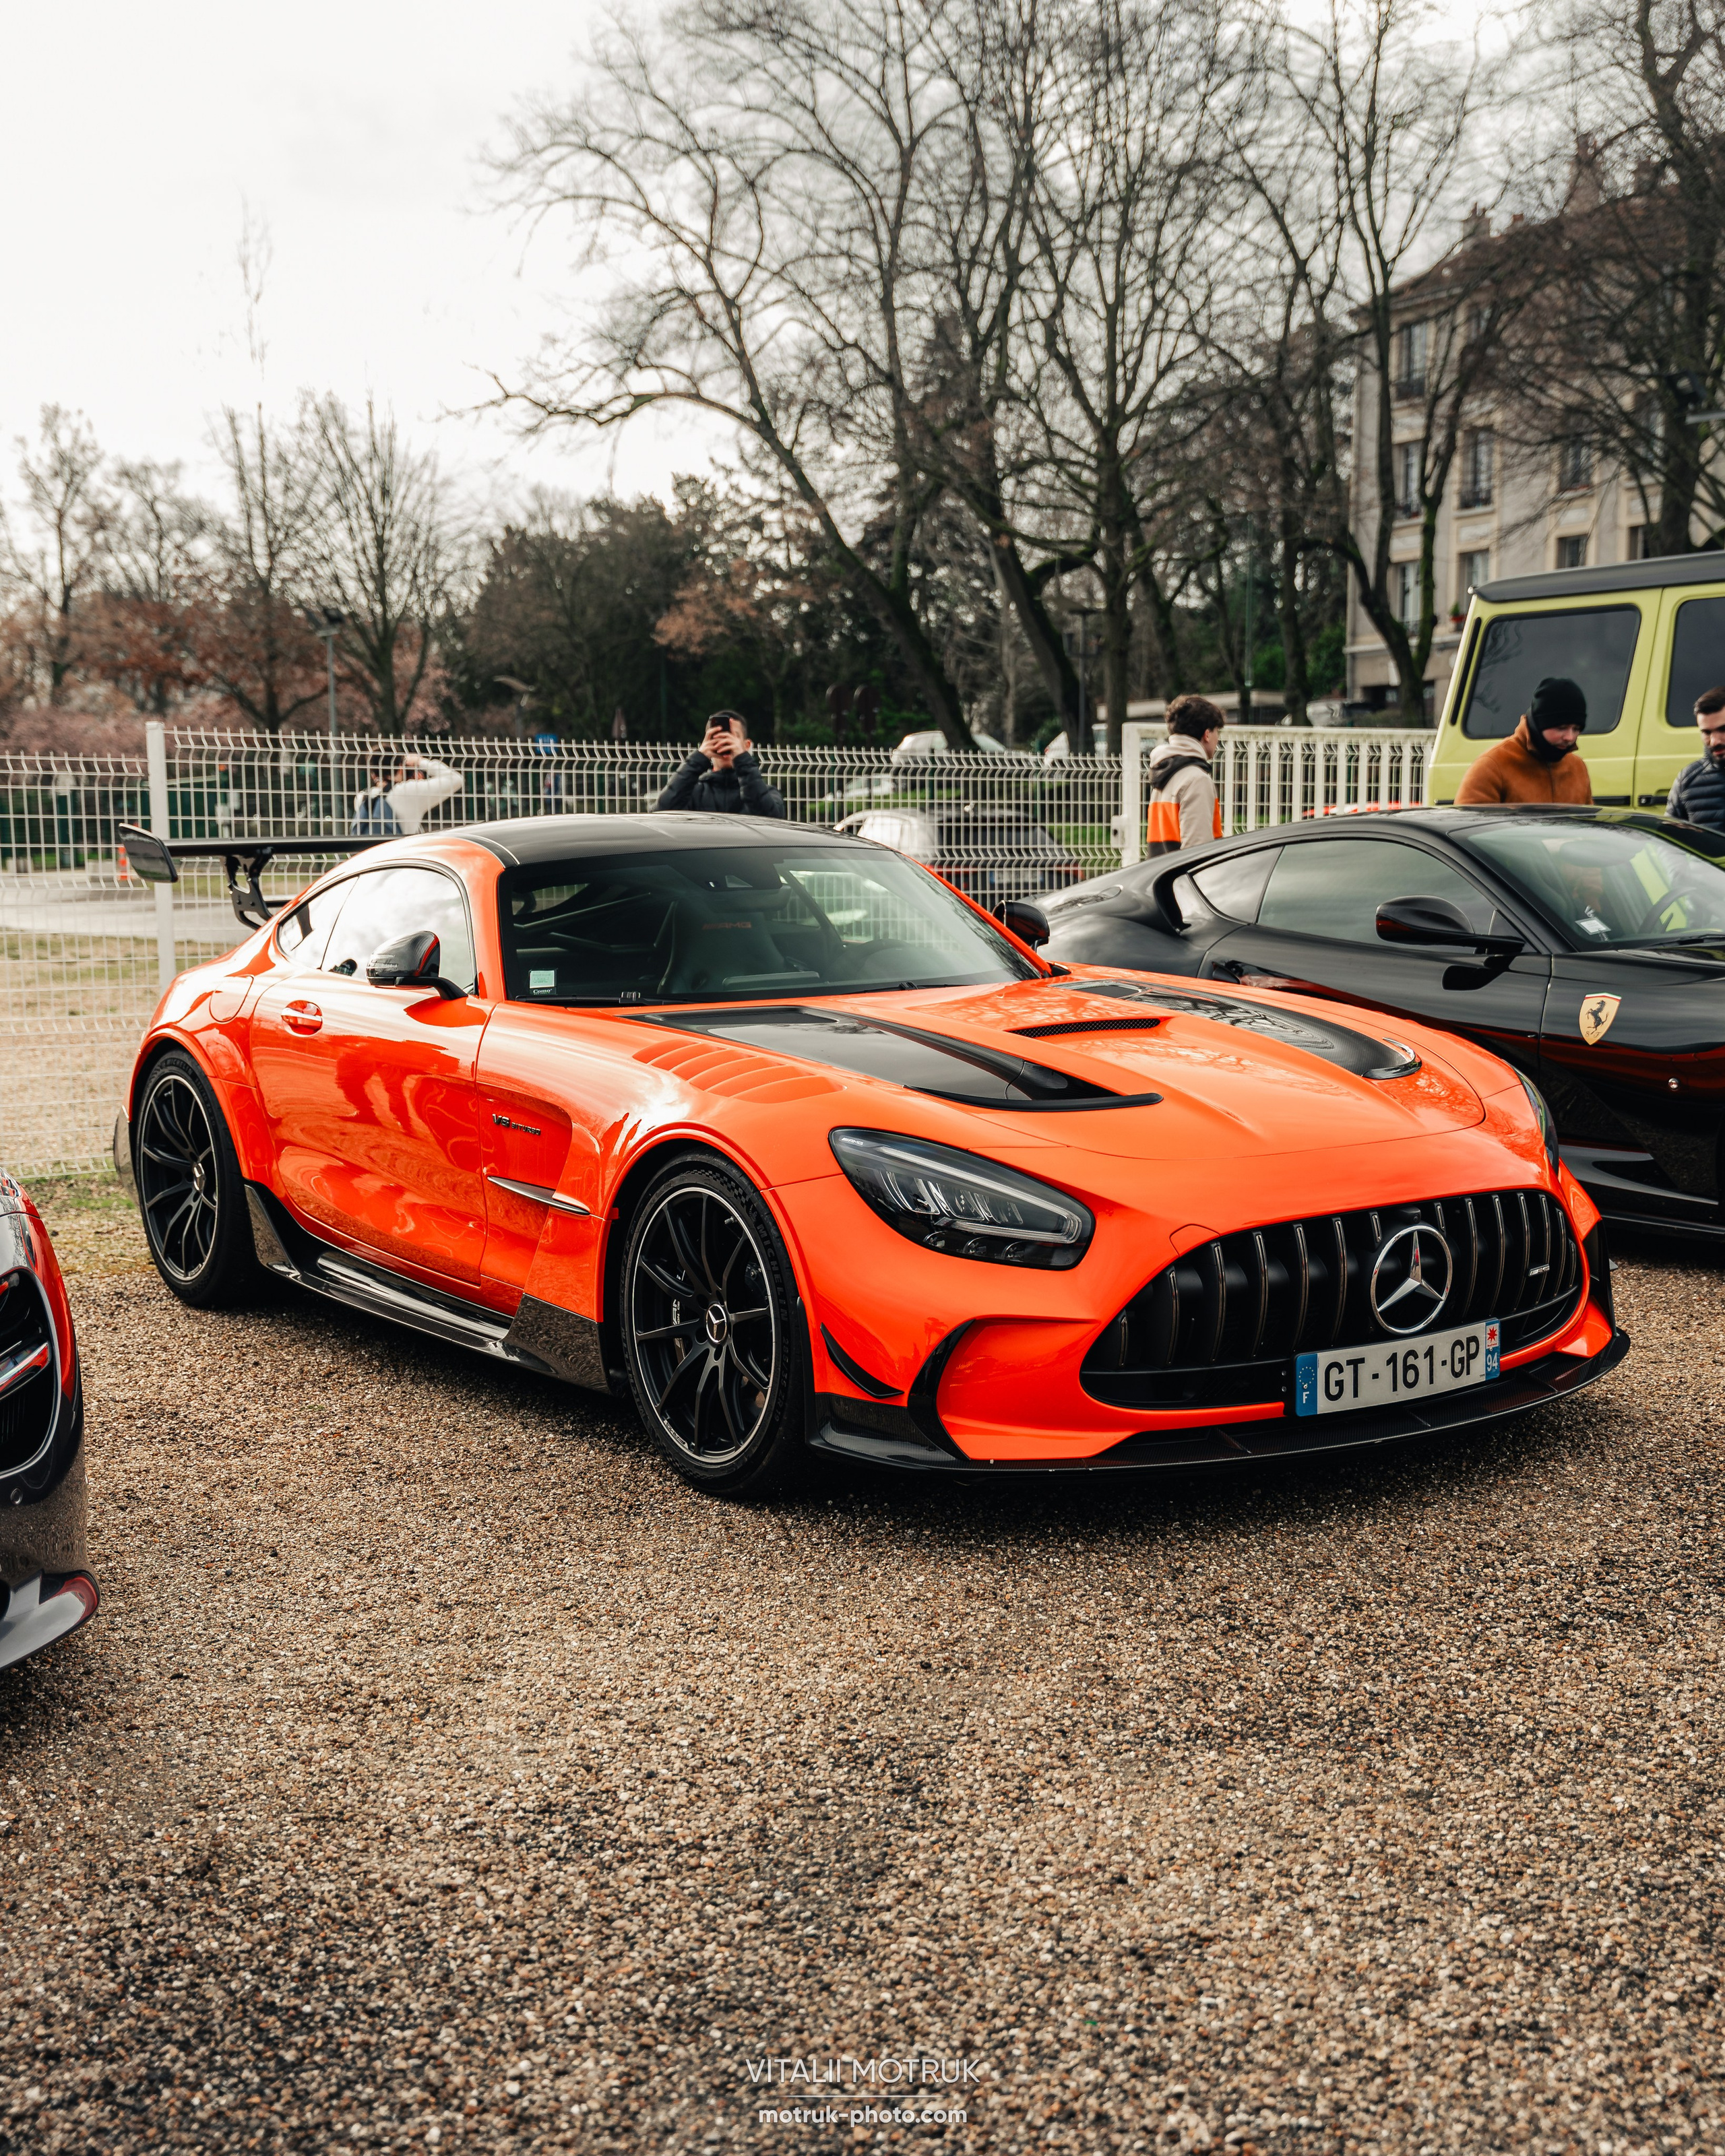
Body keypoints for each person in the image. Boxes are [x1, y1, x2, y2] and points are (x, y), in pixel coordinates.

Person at [1454, 676, 1593, 806]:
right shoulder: (1492, 766)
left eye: (1576, 729)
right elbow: (1466, 828)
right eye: (1561, 728)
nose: (1570, 737)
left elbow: (1589, 826)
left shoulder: (1577, 767)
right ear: (1539, 723)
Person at [655, 711, 786, 817]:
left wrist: (742, 760)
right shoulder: (693, 793)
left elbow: (770, 819)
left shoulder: (768, 793)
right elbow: (660, 814)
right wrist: (699, 758)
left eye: (732, 737)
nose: (726, 742)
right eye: (719, 737)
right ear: (707, 743)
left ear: (746, 746)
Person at [1145, 694, 1226, 855]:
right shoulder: (1197, 780)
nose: (1218, 739)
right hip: (1186, 879)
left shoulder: (1164, 773)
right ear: (1207, 734)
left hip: (1162, 875)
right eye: (1217, 732)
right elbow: (1197, 851)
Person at [350, 750, 465, 837]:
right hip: (401, 860)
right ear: (401, 767)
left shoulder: (361, 798)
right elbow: (456, 779)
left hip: (371, 863)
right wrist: (420, 761)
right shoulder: (409, 791)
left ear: (373, 775)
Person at [1667, 685, 1725, 829]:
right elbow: (1670, 841)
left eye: (1723, 729)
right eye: (1706, 733)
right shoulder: (1688, 779)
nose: (1714, 742)